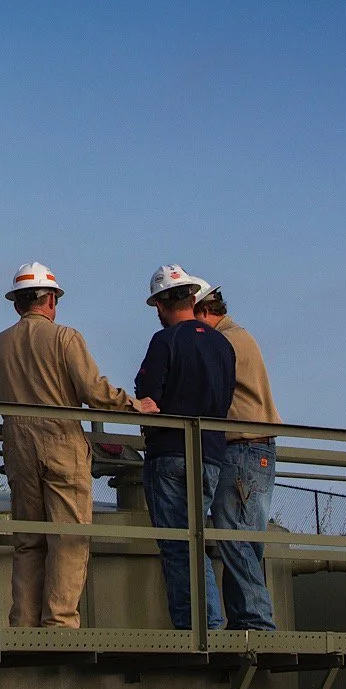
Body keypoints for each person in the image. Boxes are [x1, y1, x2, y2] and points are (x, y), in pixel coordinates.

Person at [0, 262, 158, 628]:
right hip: (62, 441)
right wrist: (134, 405)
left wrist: (6, 385)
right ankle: (60, 622)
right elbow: (94, 392)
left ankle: (23, 622)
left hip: (18, 444)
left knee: (29, 540)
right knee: (69, 537)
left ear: (18, 304)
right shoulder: (65, 338)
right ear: (51, 299)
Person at [135, 264, 236, 632]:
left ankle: (199, 627)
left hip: (170, 454)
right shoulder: (222, 345)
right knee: (198, 540)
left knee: (178, 545)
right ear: (193, 298)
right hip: (211, 455)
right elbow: (225, 400)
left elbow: (149, 398)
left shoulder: (165, 342)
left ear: (161, 304)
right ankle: (208, 621)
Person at [197, 282, 282, 630]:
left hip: (241, 448)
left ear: (203, 312)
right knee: (244, 539)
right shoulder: (239, 336)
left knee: (236, 538)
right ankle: (247, 621)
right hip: (255, 449)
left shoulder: (224, 342)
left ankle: (256, 622)